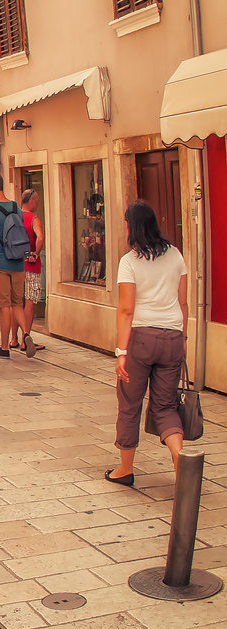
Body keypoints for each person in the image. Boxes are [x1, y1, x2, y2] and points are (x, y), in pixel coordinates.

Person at [107, 199, 189, 486]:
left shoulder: (129, 262)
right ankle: (179, 457)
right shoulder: (176, 255)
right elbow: (183, 302)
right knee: (165, 406)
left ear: (133, 227)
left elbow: (126, 309)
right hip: (173, 337)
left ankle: (125, 469)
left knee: (129, 403)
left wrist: (121, 352)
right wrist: (184, 339)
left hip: (141, 339)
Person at [0, 173, 30, 359]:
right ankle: (25, 334)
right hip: (18, 262)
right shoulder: (16, 207)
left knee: (4, 306)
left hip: (1, 263)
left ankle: (4, 346)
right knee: (18, 303)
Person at [20, 188, 45, 351]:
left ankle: (14, 339)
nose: (37, 203)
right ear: (32, 200)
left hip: (16, 264)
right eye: (36, 200)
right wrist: (36, 253)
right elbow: (40, 237)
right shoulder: (33, 218)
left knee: (16, 302)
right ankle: (26, 337)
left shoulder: (14, 217)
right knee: (30, 301)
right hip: (30, 264)